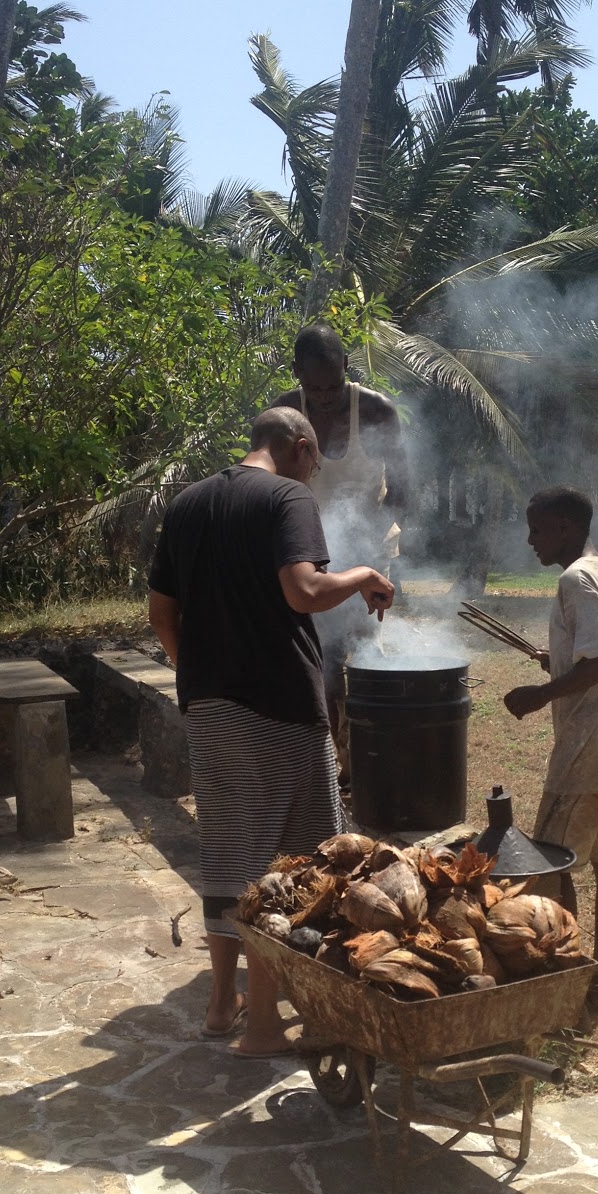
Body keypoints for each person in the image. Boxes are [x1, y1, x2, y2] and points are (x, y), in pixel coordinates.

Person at [148, 407, 395, 1056]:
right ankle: (262, 1024)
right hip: (280, 709)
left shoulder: (189, 504)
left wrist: (200, 674)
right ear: (301, 447)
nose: (313, 475)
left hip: (211, 709)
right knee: (290, 861)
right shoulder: (287, 496)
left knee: (230, 851)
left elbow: (160, 612)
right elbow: (304, 590)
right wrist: (366, 576)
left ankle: (221, 1005)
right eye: (314, 463)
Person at [503, 487, 598, 1018]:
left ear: (565, 527)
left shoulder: (577, 579)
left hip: (589, 749)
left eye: (538, 530)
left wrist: (537, 694)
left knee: (552, 864)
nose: (530, 541)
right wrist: (562, 660)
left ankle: (564, 975)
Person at [271, 324, 411, 756]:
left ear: (346, 368)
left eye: (332, 386)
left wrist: (372, 540)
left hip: (368, 550)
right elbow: (269, 487)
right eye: (313, 387)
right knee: (322, 654)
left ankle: (372, 751)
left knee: (366, 650)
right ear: (295, 373)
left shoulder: (376, 411)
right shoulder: (283, 415)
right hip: (305, 553)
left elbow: (404, 488)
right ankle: (335, 754)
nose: (324, 396)